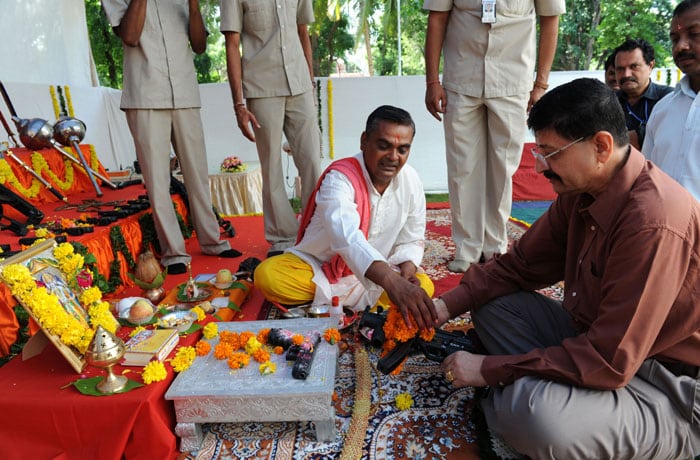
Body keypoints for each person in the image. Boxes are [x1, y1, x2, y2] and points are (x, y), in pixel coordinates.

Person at [430, 78, 700, 458]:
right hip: (602, 346)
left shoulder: (653, 220)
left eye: (551, 153)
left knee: (539, 419)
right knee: (492, 305)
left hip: (669, 386)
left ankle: (666, 432)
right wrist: (444, 307)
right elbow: (518, 268)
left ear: (601, 146)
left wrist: (491, 369)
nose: (540, 166)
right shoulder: (579, 192)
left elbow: (610, 361)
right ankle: (541, 393)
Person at [255, 106, 437, 330]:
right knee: (268, 276)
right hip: (321, 269)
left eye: (402, 150)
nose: (393, 157)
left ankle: (327, 306)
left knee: (425, 286)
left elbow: (411, 236)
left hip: (377, 274)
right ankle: (366, 306)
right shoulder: (339, 178)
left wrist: (407, 270)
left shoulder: (411, 179)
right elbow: (346, 236)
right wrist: (392, 282)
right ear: (364, 141)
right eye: (384, 146)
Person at [423, 0, 566, 273]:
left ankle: (494, 246)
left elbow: (551, 20)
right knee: (461, 165)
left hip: (513, 81)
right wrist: (432, 81)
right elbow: (437, 18)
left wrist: (541, 84)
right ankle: (466, 248)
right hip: (461, 78)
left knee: (502, 166)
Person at [101, 0, 240, 275]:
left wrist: (194, 6)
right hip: (145, 96)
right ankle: (174, 252)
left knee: (197, 173)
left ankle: (212, 241)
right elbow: (130, 36)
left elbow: (199, 46)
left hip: (185, 92)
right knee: (158, 180)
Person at [220, 0, 322, 258]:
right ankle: (282, 237)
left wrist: (310, 83)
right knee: (271, 165)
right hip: (261, 87)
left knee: (311, 159)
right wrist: (238, 104)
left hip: (299, 84)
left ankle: (315, 228)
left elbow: (302, 32)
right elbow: (232, 44)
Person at [643, 0, 700, 200]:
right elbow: (646, 178)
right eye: (675, 39)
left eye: (695, 34)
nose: (681, 46)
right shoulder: (662, 109)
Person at [614, 38, 673, 149]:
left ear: (650, 66)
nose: (626, 74)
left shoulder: (669, 98)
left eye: (634, 67)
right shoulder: (608, 102)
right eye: (620, 69)